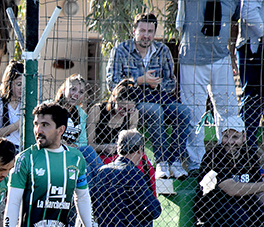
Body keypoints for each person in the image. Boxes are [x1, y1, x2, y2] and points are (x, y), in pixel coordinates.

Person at [107, 12, 192, 180]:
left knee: (184, 112)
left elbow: (171, 83)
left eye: (150, 31)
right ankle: (161, 163)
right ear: (134, 31)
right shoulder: (120, 50)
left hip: (160, 97)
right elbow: (112, 83)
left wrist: (157, 85)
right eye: (142, 30)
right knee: (154, 111)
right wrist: (139, 80)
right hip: (132, 101)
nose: (146, 35)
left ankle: (175, 162)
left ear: (154, 33)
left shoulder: (163, 50)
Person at [195, 116, 264, 227]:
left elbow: (258, 190)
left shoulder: (250, 155)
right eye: (226, 136)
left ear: (244, 137)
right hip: (213, 211)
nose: (230, 142)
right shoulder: (214, 155)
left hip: (245, 207)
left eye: (235, 137)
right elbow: (231, 189)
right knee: (238, 218)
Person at [177, 0, 240, 174]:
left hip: (221, 57)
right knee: (193, 113)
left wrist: (233, 54)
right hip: (192, 58)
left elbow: (235, 21)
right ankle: (196, 163)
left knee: (229, 111)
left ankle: (228, 161)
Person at [92, 130, 162, 227]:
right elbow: (154, 210)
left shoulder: (102, 172)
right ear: (139, 150)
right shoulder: (133, 174)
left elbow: (94, 205)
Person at [52, 74, 103, 183]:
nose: (76, 94)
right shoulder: (52, 107)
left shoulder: (81, 114)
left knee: (87, 164)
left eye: (81, 92)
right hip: (55, 149)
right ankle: (106, 182)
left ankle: (103, 183)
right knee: (86, 166)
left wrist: (71, 146)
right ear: (64, 89)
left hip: (73, 151)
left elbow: (83, 141)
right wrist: (60, 142)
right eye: (73, 89)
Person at [237, 0, 264, 153]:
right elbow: (248, 11)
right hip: (254, 49)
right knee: (253, 101)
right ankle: (247, 153)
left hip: (255, 47)